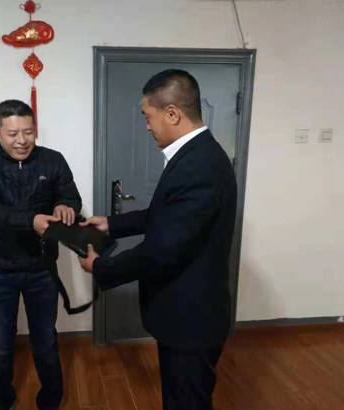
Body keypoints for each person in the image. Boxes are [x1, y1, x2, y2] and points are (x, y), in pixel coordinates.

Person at [79, 69, 237, 410]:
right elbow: (166, 215)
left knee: (186, 402)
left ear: (172, 113)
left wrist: (101, 267)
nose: (147, 126)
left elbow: (161, 250)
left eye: (147, 116)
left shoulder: (200, 165)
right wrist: (111, 224)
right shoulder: (196, 155)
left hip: (191, 319)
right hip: (186, 314)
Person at [0, 99, 82, 410]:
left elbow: (71, 196)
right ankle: (2, 400)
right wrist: (31, 220)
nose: (22, 140)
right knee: (0, 345)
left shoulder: (53, 160)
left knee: (45, 340)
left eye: (28, 132)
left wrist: (66, 206)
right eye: (12, 134)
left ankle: (51, 399)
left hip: (41, 267)